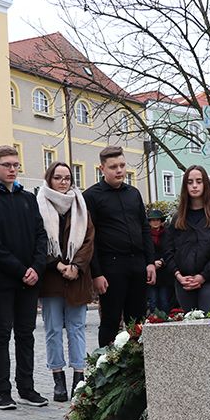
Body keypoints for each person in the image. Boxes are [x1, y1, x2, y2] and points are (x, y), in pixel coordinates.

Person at [0, 145, 49, 410]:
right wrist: (20, 270)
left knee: (26, 335)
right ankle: (2, 391)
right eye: (7, 165)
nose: (12, 169)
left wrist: (37, 268)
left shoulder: (28, 198)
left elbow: (41, 236)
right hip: (1, 280)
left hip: (30, 279)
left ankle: (26, 388)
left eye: (16, 165)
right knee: (1, 335)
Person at [84, 146, 155, 347]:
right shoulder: (92, 196)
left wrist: (150, 262)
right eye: (113, 166)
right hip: (110, 267)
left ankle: (137, 368)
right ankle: (106, 370)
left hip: (137, 264)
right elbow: (90, 239)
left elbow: (144, 228)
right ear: (102, 169)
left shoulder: (133, 193)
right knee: (110, 321)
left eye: (122, 165)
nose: (119, 170)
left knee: (138, 320)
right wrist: (96, 273)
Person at [37, 161, 95, 402]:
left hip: (77, 278)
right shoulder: (39, 204)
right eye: (58, 177)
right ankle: (58, 379)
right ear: (49, 179)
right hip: (51, 278)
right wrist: (58, 264)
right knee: (52, 330)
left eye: (67, 178)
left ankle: (78, 378)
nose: (63, 182)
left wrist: (76, 266)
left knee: (77, 328)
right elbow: (38, 239)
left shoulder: (80, 206)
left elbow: (89, 239)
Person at [164, 165, 210, 313]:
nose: (194, 186)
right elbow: (168, 250)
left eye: (199, 181)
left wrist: (203, 276)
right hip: (184, 283)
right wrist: (178, 275)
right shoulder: (177, 218)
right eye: (190, 182)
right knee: (190, 330)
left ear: (205, 184)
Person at [147, 209, 174, 314]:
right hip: (151, 272)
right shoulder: (145, 235)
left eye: (157, 220)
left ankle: (165, 321)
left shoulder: (167, 233)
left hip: (165, 273)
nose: (155, 222)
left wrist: (162, 261)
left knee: (164, 301)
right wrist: (152, 262)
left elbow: (171, 249)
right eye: (153, 220)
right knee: (152, 301)